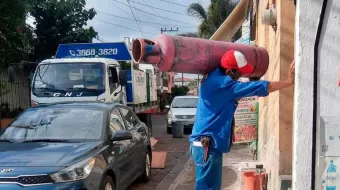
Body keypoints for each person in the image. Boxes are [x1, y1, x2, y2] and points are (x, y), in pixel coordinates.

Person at [189, 50, 295, 190]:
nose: (241, 76)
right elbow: (260, 87)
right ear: (229, 72)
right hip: (207, 146)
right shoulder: (223, 84)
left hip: (206, 145)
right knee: (208, 188)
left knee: (210, 187)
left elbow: (233, 96)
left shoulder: (213, 78)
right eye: (239, 73)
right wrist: (288, 82)